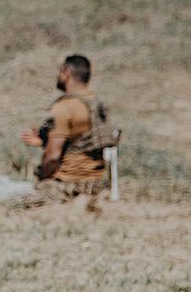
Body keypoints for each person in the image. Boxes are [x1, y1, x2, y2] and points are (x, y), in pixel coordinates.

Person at [20, 55, 118, 201]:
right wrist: (43, 142)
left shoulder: (64, 106)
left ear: (67, 73)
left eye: (59, 72)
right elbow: (83, 143)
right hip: (97, 185)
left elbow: (52, 158)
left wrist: (43, 180)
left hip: (70, 186)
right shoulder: (96, 105)